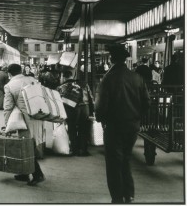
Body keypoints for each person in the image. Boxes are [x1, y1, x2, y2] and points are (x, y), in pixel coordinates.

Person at [95, 45, 150, 203]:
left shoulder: (107, 78)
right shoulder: (136, 77)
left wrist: (100, 119)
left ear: (112, 59)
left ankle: (117, 198)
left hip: (114, 126)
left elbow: (100, 106)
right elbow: (147, 103)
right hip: (132, 126)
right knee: (126, 158)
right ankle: (129, 194)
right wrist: (136, 117)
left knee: (113, 162)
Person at [4, 63, 45, 186]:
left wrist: (7, 125)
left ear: (9, 73)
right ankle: (24, 173)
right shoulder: (32, 79)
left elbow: (8, 107)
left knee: (27, 147)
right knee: (31, 144)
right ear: (21, 71)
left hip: (25, 121)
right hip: (38, 116)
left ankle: (38, 174)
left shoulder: (10, 85)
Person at [57, 70, 94, 156]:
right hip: (85, 108)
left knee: (72, 128)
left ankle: (75, 150)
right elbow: (91, 98)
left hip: (71, 109)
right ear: (72, 76)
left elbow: (59, 102)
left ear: (63, 76)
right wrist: (92, 110)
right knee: (84, 129)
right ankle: (83, 150)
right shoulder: (84, 84)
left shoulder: (61, 87)